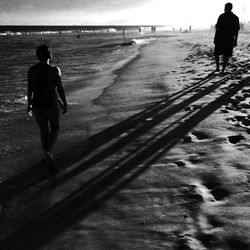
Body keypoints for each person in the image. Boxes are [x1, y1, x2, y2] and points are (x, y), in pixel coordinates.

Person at [27, 44, 67, 163]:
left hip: (37, 105)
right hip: (51, 104)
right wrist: (64, 102)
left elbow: (30, 89)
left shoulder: (31, 70)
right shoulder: (54, 70)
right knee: (55, 128)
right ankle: (47, 152)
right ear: (49, 54)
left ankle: (47, 154)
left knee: (44, 131)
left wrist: (29, 105)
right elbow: (60, 89)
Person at [214, 3, 240, 73]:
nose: (224, 9)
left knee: (221, 54)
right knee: (223, 54)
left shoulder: (223, 16)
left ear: (229, 8)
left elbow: (218, 29)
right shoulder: (234, 17)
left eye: (225, 7)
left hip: (222, 38)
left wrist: (215, 38)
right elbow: (236, 31)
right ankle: (220, 68)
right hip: (228, 38)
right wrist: (235, 40)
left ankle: (219, 68)